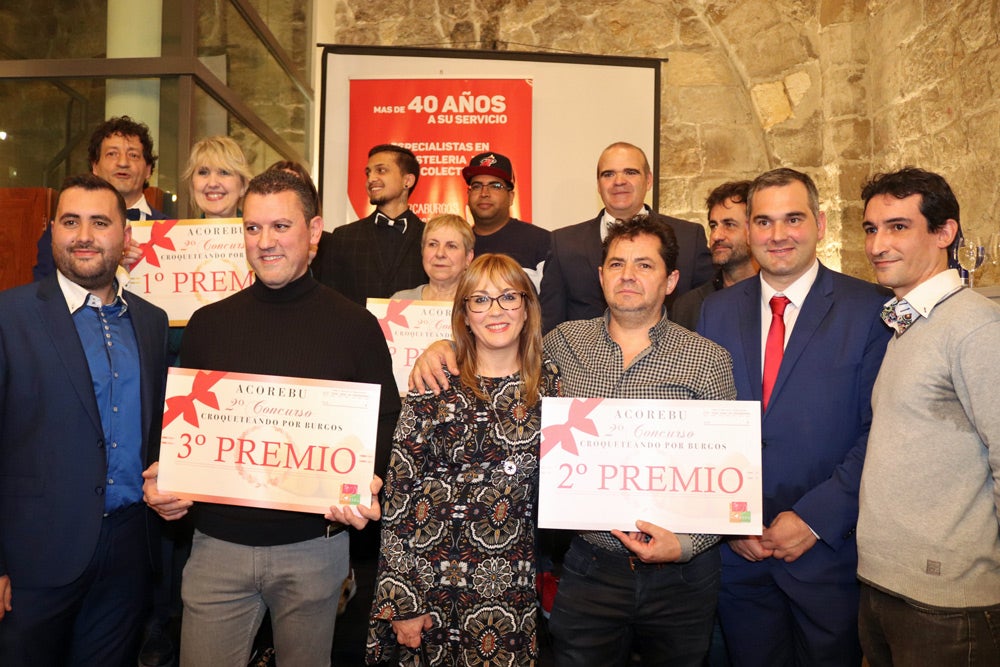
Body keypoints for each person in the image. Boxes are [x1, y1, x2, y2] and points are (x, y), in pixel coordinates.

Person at [411, 216, 737, 666]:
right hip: (589, 568)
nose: (627, 275)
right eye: (617, 263)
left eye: (644, 265)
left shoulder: (708, 360)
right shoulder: (562, 344)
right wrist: (444, 347)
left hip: (681, 578)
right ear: (600, 275)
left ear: (671, 280)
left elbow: (731, 475)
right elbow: (499, 345)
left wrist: (686, 545)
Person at [142, 169, 401, 666]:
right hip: (216, 548)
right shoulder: (208, 324)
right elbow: (182, 423)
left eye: (280, 227)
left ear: (315, 230)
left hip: (314, 550)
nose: (265, 242)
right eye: (253, 228)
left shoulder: (355, 326)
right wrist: (165, 479)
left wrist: (366, 483)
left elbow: (386, 423)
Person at [697, 168, 891, 667]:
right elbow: (703, 425)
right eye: (763, 221)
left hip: (829, 554)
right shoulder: (714, 312)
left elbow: (881, 430)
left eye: (793, 219)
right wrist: (727, 521)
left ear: (821, 224)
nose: (777, 235)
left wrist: (814, 518)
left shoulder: (871, 309)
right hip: (739, 556)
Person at [0, 174, 169, 665]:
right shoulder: (9, 317)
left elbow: (158, 433)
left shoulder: (152, 321)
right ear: (52, 231)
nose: (84, 236)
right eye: (70, 222)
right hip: (33, 558)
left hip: (129, 552)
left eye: (100, 222)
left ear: (125, 236)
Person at [367, 253, 561, 665]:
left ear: (527, 308)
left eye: (509, 297)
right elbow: (398, 498)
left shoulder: (554, 388)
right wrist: (402, 601)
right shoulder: (432, 383)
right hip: (427, 589)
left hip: (509, 591)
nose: (495, 310)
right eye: (480, 300)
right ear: (465, 315)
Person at [855, 167, 1000, 667]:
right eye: (871, 229)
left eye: (898, 227)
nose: (878, 245)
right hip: (885, 586)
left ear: (944, 232)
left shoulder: (974, 327)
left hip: (949, 604)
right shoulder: (906, 324)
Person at [539, 141, 713, 332]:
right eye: (608, 174)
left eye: (630, 172)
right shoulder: (563, 244)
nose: (619, 181)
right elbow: (549, 324)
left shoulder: (689, 238)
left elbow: (706, 311)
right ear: (598, 185)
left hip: (673, 359)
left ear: (648, 180)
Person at [34, 115, 163, 280]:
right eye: (112, 154)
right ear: (95, 166)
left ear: (148, 170)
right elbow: (45, 290)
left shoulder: (173, 232)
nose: (123, 163)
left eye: (133, 155)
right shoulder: (64, 231)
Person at [315, 144, 427, 304]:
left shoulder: (429, 237)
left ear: (407, 180)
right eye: (368, 173)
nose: (371, 179)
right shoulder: (343, 237)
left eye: (381, 170)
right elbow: (329, 300)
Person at [672, 181, 757, 331]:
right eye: (713, 226)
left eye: (729, 224)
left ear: (755, 230)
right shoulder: (690, 305)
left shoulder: (775, 299)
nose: (716, 236)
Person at [462, 151, 550, 289]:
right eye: (477, 186)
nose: (484, 193)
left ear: (511, 197)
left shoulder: (541, 242)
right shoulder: (458, 245)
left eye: (495, 186)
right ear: (468, 194)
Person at [391, 214, 475, 301]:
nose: (440, 254)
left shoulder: (480, 304)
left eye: (451, 246)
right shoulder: (399, 301)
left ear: (468, 257)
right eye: (433, 244)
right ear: (422, 251)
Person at [181, 135, 252, 219]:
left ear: (243, 186)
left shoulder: (264, 232)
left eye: (224, 172)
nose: (212, 183)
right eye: (203, 172)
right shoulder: (174, 232)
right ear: (192, 185)